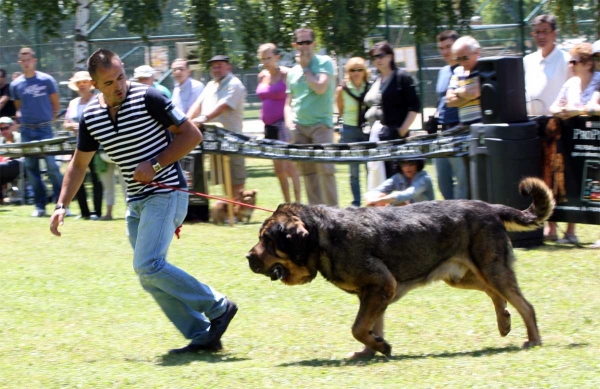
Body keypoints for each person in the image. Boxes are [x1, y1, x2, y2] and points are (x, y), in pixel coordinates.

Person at [49, 49, 238, 354]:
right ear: (95, 85)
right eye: (109, 82)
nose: (119, 86)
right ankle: (203, 335)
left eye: (121, 77)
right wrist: (61, 205)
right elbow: (79, 164)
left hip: (167, 192)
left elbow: (192, 135)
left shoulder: (149, 97)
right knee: (149, 276)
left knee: (148, 265)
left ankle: (218, 306)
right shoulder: (91, 117)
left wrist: (157, 164)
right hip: (135, 201)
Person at [545, 42, 600, 245]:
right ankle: (570, 232)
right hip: (574, 143)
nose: (570, 65)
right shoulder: (570, 84)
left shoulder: (598, 81)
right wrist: (561, 111)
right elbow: (553, 106)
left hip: (596, 143)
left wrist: (578, 111)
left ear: (587, 64)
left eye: (574, 61)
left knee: (596, 186)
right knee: (573, 184)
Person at [284, 28, 338, 206]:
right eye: (300, 43)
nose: (304, 46)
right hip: (299, 128)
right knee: (308, 173)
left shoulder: (325, 63)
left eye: (308, 42)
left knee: (326, 170)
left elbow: (320, 87)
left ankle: (334, 216)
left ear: (314, 44)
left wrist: (306, 68)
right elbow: (288, 102)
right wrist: (289, 123)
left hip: (321, 126)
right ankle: (316, 215)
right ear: (295, 45)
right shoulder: (292, 72)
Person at [9, 47, 65, 217]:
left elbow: (55, 104)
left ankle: (61, 205)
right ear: (20, 63)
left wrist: (50, 119)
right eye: (23, 60)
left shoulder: (46, 80)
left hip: (45, 129)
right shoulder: (15, 84)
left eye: (29, 59)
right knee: (31, 168)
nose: (26, 63)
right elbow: (19, 107)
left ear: (34, 60)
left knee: (52, 167)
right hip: (27, 131)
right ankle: (40, 206)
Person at [187, 55, 247, 197]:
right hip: (215, 139)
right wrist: (186, 121)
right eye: (213, 66)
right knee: (222, 176)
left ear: (228, 67)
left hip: (232, 138)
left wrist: (204, 118)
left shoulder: (234, 84)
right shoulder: (210, 85)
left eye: (219, 66)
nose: (216, 69)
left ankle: (239, 211)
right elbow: (198, 104)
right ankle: (229, 211)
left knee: (235, 177)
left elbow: (224, 105)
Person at [364, 41, 421, 178]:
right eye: (374, 57)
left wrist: (401, 131)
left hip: (395, 137)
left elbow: (414, 107)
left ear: (390, 56)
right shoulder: (376, 80)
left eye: (381, 56)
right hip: (376, 137)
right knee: (378, 178)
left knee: (395, 178)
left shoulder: (402, 77)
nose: (377, 60)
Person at [256, 43, 301, 203]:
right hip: (269, 127)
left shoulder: (286, 74)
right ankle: (287, 203)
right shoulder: (262, 76)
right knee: (278, 170)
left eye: (269, 58)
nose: (266, 61)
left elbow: (295, 96)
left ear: (277, 57)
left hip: (284, 124)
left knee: (290, 167)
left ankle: (298, 203)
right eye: (263, 59)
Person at [433, 30, 468, 200]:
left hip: (459, 131)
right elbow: (441, 100)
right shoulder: (443, 71)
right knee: (442, 180)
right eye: (441, 48)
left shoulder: (465, 70)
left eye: (449, 46)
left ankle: (460, 220)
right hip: (441, 132)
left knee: (462, 181)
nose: (445, 51)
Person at [64, 71, 103, 220]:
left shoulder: (97, 100)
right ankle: (84, 212)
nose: (81, 85)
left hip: (95, 145)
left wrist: (81, 126)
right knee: (76, 177)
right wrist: (73, 126)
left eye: (84, 82)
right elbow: (66, 122)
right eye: (79, 83)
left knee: (95, 178)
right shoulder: (73, 103)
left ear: (90, 84)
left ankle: (97, 212)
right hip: (77, 145)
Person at [335, 57, 371, 206]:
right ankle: (356, 202)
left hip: (367, 130)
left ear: (365, 71)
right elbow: (341, 110)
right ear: (347, 72)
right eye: (352, 70)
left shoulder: (370, 87)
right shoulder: (342, 89)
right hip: (350, 130)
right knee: (354, 171)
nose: (356, 73)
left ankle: (371, 199)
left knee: (370, 167)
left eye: (359, 69)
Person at [524, 15, 571, 116]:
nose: (541, 36)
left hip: (556, 123)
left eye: (545, 31)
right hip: (530, 122)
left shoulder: (566, 60)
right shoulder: (527, 60)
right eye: (537, 32)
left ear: (555, 34)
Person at [363, 158, 434, 206]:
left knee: (398, 202)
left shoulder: (424, 179)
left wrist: (378, 201)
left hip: (425, 216)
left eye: (411, 163)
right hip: (409, 215)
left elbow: (407, 194)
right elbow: (375, 191)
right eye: (403, 163)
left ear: (418, 164)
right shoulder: (399, 177)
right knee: (379, 196)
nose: (407, 167)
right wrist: (372, 198)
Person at [446, 36, 482, 128]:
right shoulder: (457, 71)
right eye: (458, 59)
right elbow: (449, 101)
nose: (462, 62)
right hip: (464, 126)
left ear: (477, 52)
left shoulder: (485, 69)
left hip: (483, 125)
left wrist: (457, 91)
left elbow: (474, 92)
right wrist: (470, 94)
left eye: (465, 58)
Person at [0, 117, 23, 198]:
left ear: (12, 126)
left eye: (6, 128)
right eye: (1, 129)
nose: (3, 131)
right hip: (7, 167)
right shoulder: (2, 140)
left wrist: (10, 156)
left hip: (20, 165)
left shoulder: (19, 137)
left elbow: (21, 153)